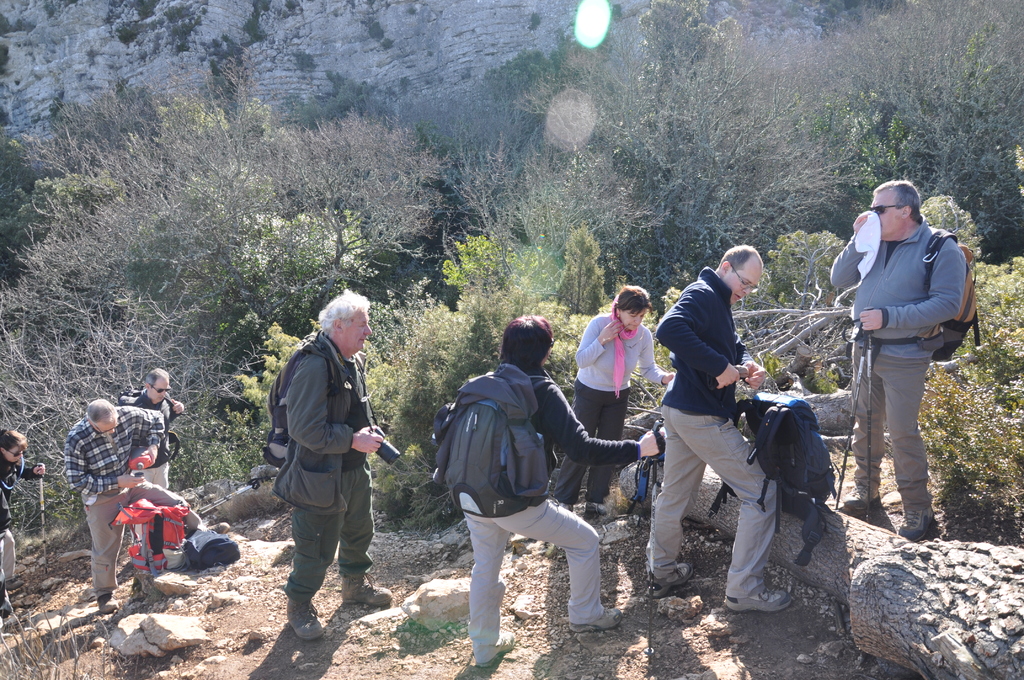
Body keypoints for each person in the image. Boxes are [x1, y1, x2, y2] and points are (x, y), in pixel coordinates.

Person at [462, 316, 661, 668]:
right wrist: (637, 449)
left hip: (471, 495)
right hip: (515, 501)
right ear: (546, 351)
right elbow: (581, 449)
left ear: (504, 349)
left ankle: (484, 648)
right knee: (584, 541)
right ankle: (585, 614)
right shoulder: (542, 390)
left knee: (485, 568)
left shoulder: (485, 384)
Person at [647, 246, 791, 612]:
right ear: (726, 267)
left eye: (752, 286)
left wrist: (747, 364)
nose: (747, 290)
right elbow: (668, 329)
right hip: (700, 415)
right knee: (760, 490)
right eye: (744, 281)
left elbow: (733, 346)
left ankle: (662, 572)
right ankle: (745, 590)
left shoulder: (719, 300)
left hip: (680, 410)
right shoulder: (703, 292)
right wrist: (718, 367)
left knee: (675, 495)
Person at [830, 180, 965, 541]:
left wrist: (888, 317)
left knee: (903, 432)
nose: (872, 214)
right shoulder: (874, 240)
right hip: (865, 347)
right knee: (865, 421)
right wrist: (857, 239)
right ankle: (866, 490)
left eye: (879, 209)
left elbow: (947, 303)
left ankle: (918, 508)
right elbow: (839, 278)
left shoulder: (939, 247)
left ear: (906, 211)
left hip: (906, 353)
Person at [272, 290, 392, 642]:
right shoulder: (314, 365)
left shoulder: (350, 359)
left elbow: (352, 408)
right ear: (338, 326)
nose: (368, 331)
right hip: (318, 475)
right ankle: (299, 605)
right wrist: (352, 439)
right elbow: (304, 429)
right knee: (316, 545)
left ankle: (354, 586)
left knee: (359, 531)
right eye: (362, 325)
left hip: (353, 469)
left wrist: (368, 432)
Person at [64, 399, 204, 615]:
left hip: (133, 484)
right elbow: (77, 482)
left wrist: (153, 446)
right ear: (92, 423)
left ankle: (202, 537)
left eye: (115, 426)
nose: (113, 431)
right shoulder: (76, 439)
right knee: (106, 546)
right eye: (107, 429)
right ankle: (104, 594)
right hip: (101, 497)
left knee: (176, 503)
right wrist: (116, 482)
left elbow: (158, 419)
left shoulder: (127, 414)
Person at [553, 286, 674, 516]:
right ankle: (564, 499)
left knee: (610, 446)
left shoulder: (643, 335)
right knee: (579, 445)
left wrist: (664, 378)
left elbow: (648, 368)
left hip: (618, 396)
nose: (637, 321)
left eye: (641, 316)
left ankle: (596, 500)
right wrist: (602, 339)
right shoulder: (599, 324)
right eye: (632, 315)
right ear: (619, 310)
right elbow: (581, 360)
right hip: (589, 391)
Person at [0, 430, 45, 622]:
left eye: (22, 452)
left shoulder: (14, 462)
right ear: (2, 450)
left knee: (9, 541)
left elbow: (19, 473)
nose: (20, 456)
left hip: (2, 516)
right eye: (16, 453)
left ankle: (8, 579)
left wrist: (33, 472)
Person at [118, 368, 185, 488]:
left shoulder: (165, 400)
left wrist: (179, 409)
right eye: (160, 390)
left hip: (161, 463)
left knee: (162, 498)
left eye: (166, 389)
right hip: (140, 466)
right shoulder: (133, 406)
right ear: (148, 386)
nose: (163, 393)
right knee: (141, 499)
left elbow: (166, 422)